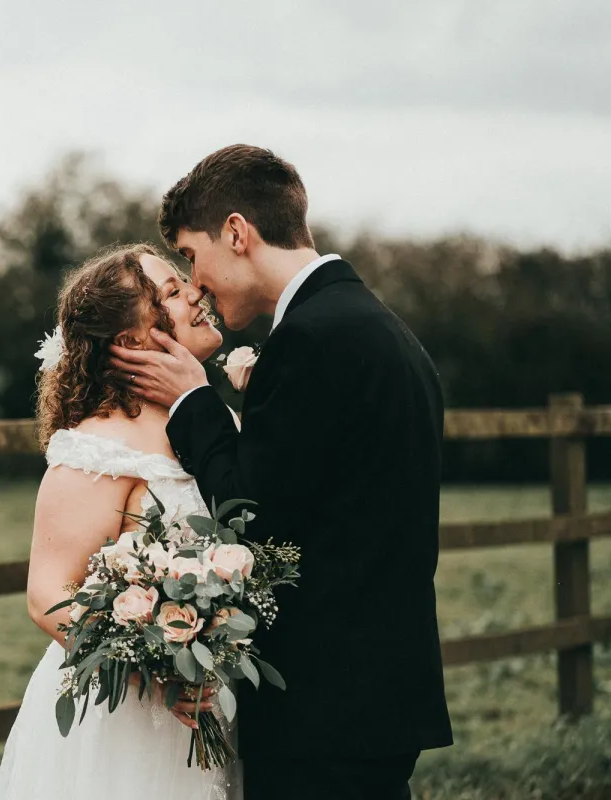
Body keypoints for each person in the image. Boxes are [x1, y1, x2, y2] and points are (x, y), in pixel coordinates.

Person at [110, 144, 453, 800]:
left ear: (236, 232)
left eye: (190, 255)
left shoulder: (312, 341)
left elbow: (253, 518)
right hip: (381, 693)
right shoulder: (383, 331)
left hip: (323, 708)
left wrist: (193, 403)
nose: (196, 281)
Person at [0, 243, 241, 799]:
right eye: (172, 293)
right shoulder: (96, 449)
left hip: (214, 703)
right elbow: (47, 595)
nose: (197, 293)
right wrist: (158, 672)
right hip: (125, 720)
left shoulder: (213, 418)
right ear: (132, 342)